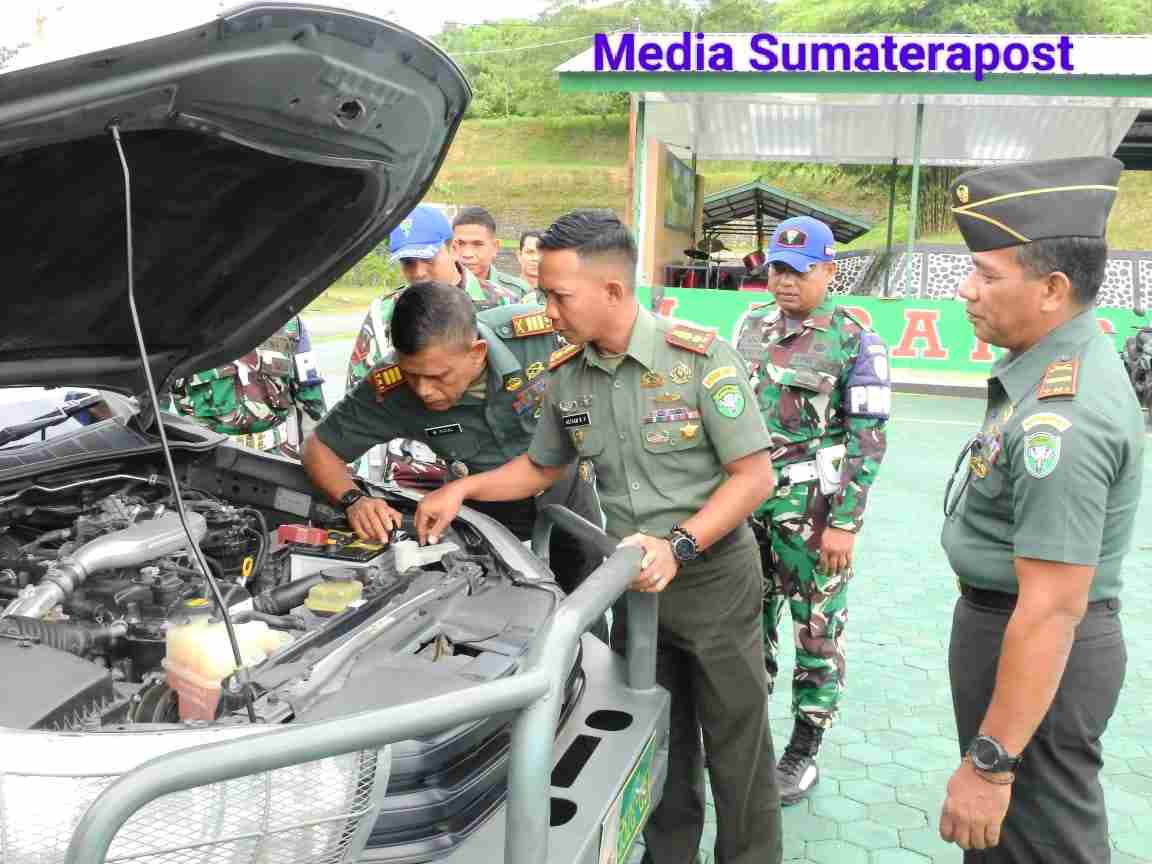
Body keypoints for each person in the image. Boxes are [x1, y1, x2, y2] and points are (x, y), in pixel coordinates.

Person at [415, 209, 783, 864]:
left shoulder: (698, 359)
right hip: (635, 590)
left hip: (713, 581)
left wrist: (681, 545)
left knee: (737, 751)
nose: (547, 308)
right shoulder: (568, 374)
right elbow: (539, 468)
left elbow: (753, 477)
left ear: (613, 290)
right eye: (543, 293)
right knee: (658, 739)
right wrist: (463, 489)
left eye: (560, 295)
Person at [938, 156, 1143, 861]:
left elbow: (1053, 607)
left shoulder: (1066, 416)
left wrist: (991, 763)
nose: (967, 290)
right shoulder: (1049, 370)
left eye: (988, 275)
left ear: (1053, 289)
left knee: (1043, 841)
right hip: (1010, 638)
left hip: (1035, 650)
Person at [303, 281, 602, 599]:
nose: (422, 390)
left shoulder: (540, 335)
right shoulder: (390, 388)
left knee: (588, 602)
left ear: (477, 353)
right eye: (411, 375)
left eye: (437, 377)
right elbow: (318, 447)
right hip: (487, 517)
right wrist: (354, 500)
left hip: (568, 496)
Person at [738, 215, 889, 805]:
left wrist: (845, 523)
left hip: (816, 513)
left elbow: (868, 437)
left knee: (817, 632)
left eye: (800, 271)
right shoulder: (751, 325)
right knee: (747, 624)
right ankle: (744, 735)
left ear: (829, 270)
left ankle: (802, 751)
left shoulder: (855, 337)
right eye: (777, 268)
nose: (785, 281)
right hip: (749, 508)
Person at [345, 204, 520, 481]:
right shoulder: (385, 313)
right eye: (408, 262)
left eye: (427, 259)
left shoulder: (503, 304)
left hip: (488, 468)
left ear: (452, 248)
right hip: (412, 469)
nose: (418, 272)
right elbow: (358, 398)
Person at [169, 315, 326, 459]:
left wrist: (317, 460)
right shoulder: (178, 323)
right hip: (202, 455)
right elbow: (155, 405)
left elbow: (311, 401)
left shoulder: (289, 323)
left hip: (276, 457)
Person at [452, 206, 532, 300]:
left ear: (495, 247)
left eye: (478, 244)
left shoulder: (519, 292)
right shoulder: (439, 288)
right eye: (460, 244)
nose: (467, 254)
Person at [517, 229, 542, 299]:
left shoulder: (556, 296)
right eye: (530, 252)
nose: (535, 258)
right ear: (519, 255)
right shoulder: (504, 292)